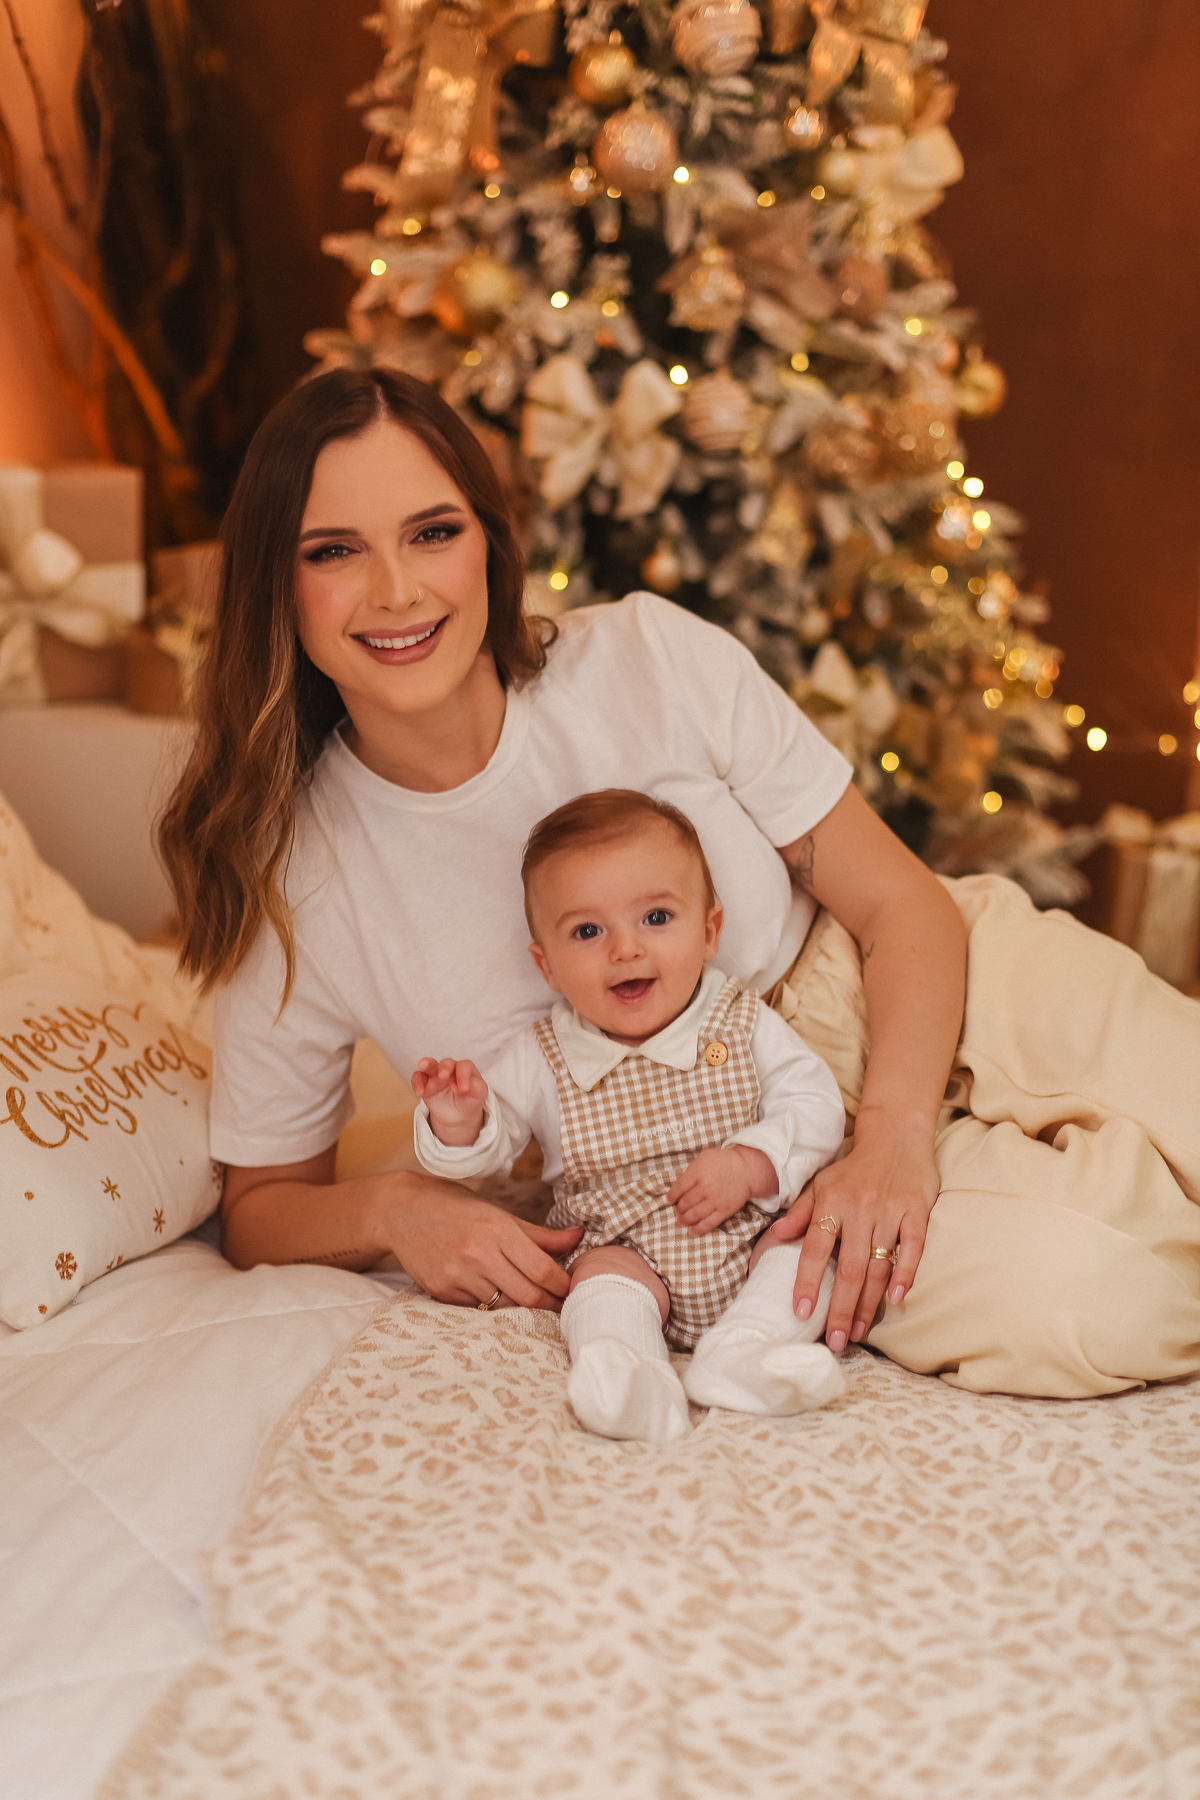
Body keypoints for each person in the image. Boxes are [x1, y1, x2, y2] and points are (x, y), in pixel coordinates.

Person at [160, 365, 1200, 1400]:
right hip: (719, 1196)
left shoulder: (643, 655)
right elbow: (262, 1205)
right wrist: (396, 1210)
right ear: (275, 584)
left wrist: (891, 1138)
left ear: (489, 543)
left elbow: (900, 902)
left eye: (433, 532)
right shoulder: (293, 877)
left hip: (903, 980)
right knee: (1111, 1294)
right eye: (334, 551)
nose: (397, 590)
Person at [411, 788, 848, 1443]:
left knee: (807, 1254)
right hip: (626, 1250)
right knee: (599, 1283)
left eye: (656, 918)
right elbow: (490, 1150)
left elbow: (815, 1103)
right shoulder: (543, 1055)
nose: (625, 949)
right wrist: (460, 1119)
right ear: (547, 965)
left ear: (709, 932)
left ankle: (746, 1352)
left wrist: (750, 1163)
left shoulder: (739, 1019)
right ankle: (627, 1373)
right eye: (587, 932)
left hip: (750, 1233)